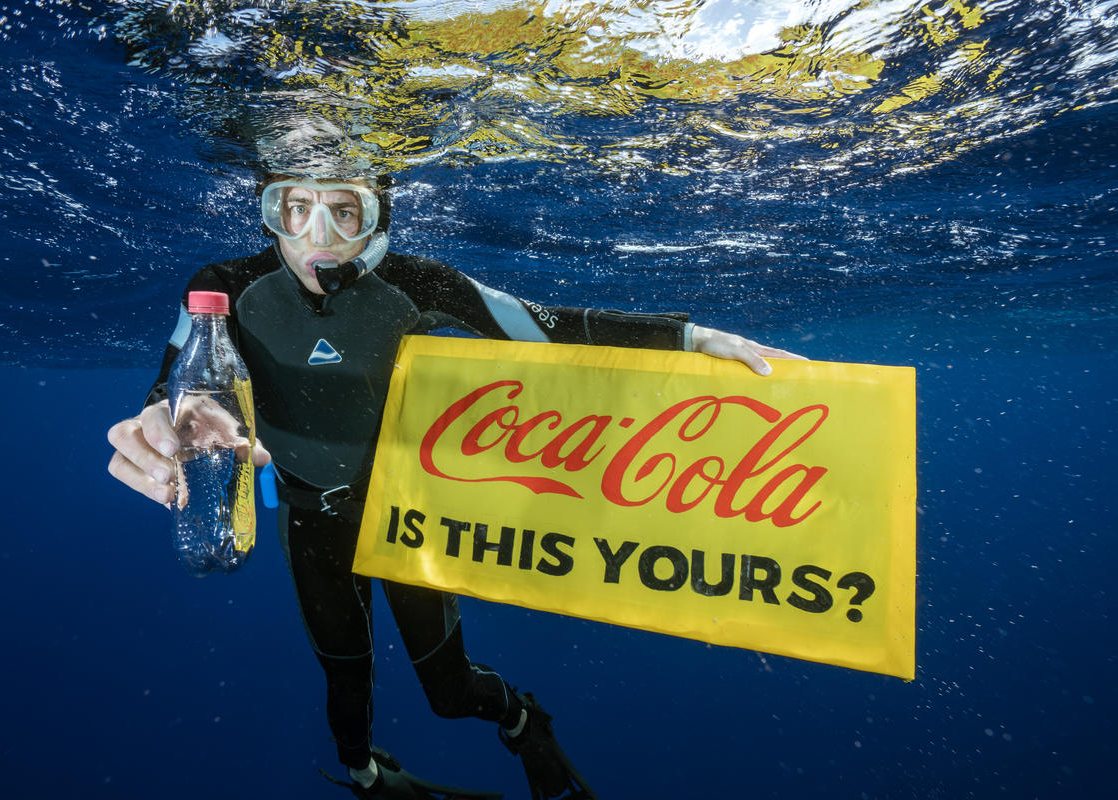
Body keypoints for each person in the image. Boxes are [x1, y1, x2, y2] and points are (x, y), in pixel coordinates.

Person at [107, 172, 803, 799]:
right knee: (343, 682)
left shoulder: (421, 282)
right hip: (306, 519)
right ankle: (364, 775)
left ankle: (520, 717)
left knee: (448, 691)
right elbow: (177, 380)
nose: (316, 238)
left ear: (380, 219)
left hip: (404, 518)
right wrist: (163, 421)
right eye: (293, 209)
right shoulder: (223, 288)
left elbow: (545, 326)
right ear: (270, 214)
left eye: (346, 212)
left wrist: (692, 338)